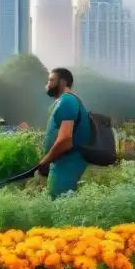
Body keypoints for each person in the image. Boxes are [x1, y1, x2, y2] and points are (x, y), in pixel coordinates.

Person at [38, 67, 91, 198]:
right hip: (62, 163)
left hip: (67, 163)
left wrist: (45, 161)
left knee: (59, 203)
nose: (47, 84)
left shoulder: (67, 101)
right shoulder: (64, 102)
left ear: (62, 82)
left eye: (51, 80)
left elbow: (65, 140)